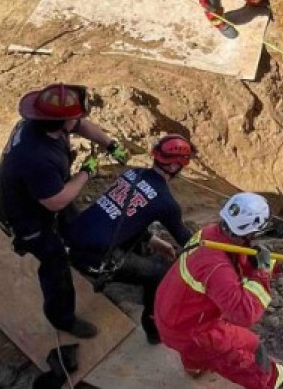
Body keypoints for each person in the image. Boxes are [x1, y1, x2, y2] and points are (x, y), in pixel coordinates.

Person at [0, 83, 129, 338]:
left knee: (76, 229)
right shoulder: (36, 157)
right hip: (25, 216)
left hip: (42, 193)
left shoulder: (45, 125)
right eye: (74, 117)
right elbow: (57, 201)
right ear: (60, 122)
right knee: (55, 263)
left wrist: (109, 144)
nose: (78, 121)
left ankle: (85, 259)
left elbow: (80, 126)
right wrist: (87, 172)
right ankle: (62, 318)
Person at [154, 192, 283, 388]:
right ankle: (271, 380)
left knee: (196, 349)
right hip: (192, 331)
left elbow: (239, 264)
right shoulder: (217, 268)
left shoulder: (212, 234)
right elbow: (245, 313)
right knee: (250, 346)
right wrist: (262, 273)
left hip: (172, 314)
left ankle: (195, 365)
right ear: (249, 233)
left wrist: (278, 265)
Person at [63, 135, 196, 344]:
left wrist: (156, 241)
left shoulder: (133, 173)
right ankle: (153, 329)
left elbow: (122, 216)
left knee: (138, 236)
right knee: (160, 273)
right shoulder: (165, 202)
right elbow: (188, 241)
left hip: (74, 237)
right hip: (94, 259)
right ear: (175, 166)